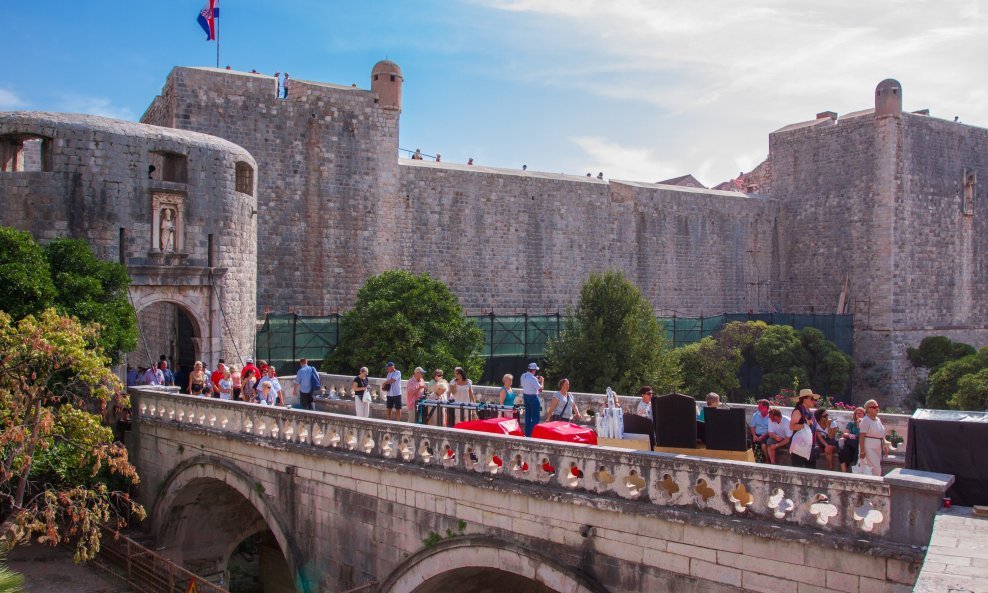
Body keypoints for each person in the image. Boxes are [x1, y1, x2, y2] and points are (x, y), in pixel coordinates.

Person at [789, 389, 821, 468]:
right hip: (799, 447)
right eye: (812, 399)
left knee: (811, 474)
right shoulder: (798, 411)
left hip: (809, 447)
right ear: (804, 399)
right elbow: (791, 427)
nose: (814, 401)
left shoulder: (809, 411)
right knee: (797, 472)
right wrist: (805, 424)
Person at [858, 399, 888, 476]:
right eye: (874, 407)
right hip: (868, 447)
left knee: (874, 468)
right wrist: (862, 451)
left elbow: (881, 434)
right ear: (868, 409)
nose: (876, 408)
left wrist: (884, 445)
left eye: (877, 406)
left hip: (878, 447)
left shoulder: (878, 419)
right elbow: (862, 436)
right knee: (876, 469)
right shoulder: (865, 420)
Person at [520, 362, 543, 437]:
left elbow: (524, 384)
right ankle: (532, 434)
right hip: (533, 397)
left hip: (526, 397)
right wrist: (542, 381)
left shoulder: (523, 376)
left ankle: (527, 434)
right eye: (535, 370)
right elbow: (540, 390)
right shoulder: (533, 378)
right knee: (535, 417)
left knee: (528, 416)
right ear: (533, 370)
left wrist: (535, 379)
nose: (535, 371)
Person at [839, 407, 865, 472]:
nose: (858, 415)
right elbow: (844, 434)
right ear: (855, 415)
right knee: (842, 451)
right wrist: (849, 434)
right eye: (857, 413)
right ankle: (844, 472)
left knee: (857, 448)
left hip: (860, 444)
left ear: (864, 414)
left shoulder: (866, 424)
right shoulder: (851, 424)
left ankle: (856, 471)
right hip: (851, 443)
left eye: (861, 413)